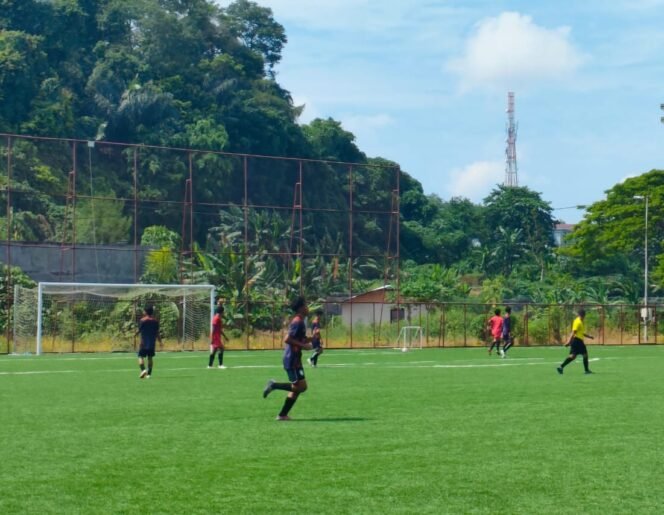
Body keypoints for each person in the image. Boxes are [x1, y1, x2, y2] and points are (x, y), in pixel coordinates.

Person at [262, 296, 312, 421]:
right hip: (292, 359)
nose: (308, 307)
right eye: (306, 305)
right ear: (301, 308)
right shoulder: (297, 321)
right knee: (301, 387)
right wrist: (304, 346)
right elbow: (287, 339)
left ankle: (282, 415)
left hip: (295, 359)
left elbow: (299, 338)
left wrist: (312, 340)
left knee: (298, 389)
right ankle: (274, 385)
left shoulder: (300, 321)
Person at [557, 308, 594, 375]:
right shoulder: (578, 322)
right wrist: (568, 341)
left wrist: (589, 337)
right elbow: (573, 332)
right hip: (578, 341)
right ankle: (586, 370)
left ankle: (561, 366)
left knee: (573, 356)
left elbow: (581, 333)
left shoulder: (578, 321)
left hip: (576, 341)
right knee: (585, 355)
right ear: (583, 315)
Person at [136, 305, 162, 379]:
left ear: (145, 312)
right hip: (151, 343)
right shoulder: (155, 321)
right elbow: (157, 333)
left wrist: (135, 335)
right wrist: (160, 342)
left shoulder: (142, 320)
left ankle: (143, 370)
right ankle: (149, 374)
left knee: (140, 356)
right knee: (150, 358)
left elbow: (139, 330)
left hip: (143, 342)